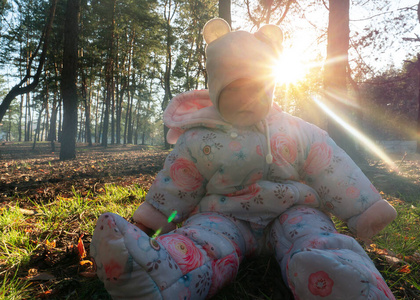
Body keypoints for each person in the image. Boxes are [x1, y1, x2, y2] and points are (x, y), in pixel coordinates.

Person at [90, 18, 397, 300]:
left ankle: (344, 277)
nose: (249, 97)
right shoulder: (198, 138)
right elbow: (178, 186)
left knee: (314, 237)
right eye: (234, 89)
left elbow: (331, 166)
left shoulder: (296, 130)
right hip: (225, 216)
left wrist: (365, 210)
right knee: (202, 242)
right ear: (214, 90)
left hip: (292, 210)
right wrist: (153, 225)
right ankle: (159, 271)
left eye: (258, 88)